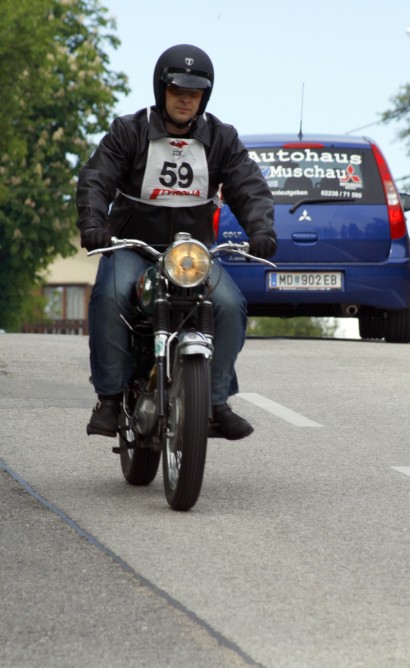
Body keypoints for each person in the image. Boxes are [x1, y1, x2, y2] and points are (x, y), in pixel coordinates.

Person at [76, 43, 276, 441]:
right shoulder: (128, 131)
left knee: (230, 305)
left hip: (191, 255)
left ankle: (215, 402)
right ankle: (110, 399)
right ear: (160, 89)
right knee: (110, 295)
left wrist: (262, 230)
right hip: (132, 247)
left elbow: (249, 187)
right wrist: (94, 223)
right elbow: (96, 179)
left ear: (205, 96)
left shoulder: (222, 138)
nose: (186, 99)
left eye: (195, 92)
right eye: (177, 89)